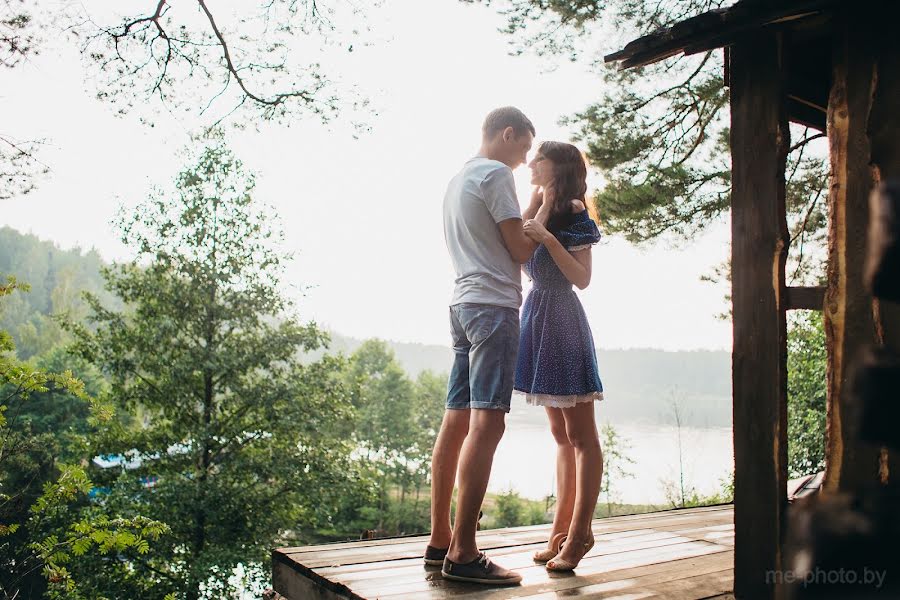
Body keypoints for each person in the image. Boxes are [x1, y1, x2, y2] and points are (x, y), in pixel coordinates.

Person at [426, 106, 547, 585]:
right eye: (521, 151)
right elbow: (519, 248)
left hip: (461, 305)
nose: (520, 162)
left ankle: (440, 538)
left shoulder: (458, 180)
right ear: (507, 133)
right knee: (488, 423)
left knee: (455, 420)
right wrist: (537, 205)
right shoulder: (496, 174)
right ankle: (464, 552)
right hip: (494, 307)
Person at [516, 141, 604, 571]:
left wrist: (548, 235)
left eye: (540, 159)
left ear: (559, 166)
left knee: (583, 437)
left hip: (564, 321)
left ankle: (581, 533)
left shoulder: (574, 211)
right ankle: (561, 529)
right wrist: (539, 211)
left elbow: (582, 279)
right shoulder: (538, 203)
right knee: (559, 434)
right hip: (536, 318)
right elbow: (518, 258)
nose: (531, 163)